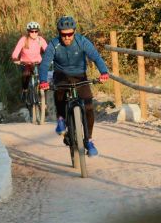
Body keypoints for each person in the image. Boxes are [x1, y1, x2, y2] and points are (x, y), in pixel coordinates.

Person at [39, 15, 109, 157]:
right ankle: (60, 119)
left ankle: (88, 140)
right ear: (59, 33)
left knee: (89, 107)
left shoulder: (82, 42)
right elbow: (45, 63)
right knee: (58, 93)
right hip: (61, 75)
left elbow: (95, 57)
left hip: (80, 76)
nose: (67, 37)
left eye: (70, 34)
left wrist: (104, 72)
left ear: (74, 32)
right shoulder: (54, 44)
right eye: (63, 35)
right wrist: (42, 81)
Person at [11, 21, 47, 98]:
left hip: (38, 62)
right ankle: (25, 90)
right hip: (26, 63)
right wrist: (15, 58)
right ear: (28, 32)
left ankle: (44, 100)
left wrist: (51, 58)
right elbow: (16, 51)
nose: (34, 33)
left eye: (36, 31)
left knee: (44, 78)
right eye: (32, 31)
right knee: (26, 74)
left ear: (38, 32)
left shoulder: (40, 40)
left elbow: (47, 50)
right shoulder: (23, 40)